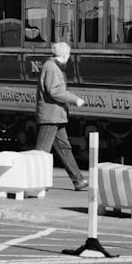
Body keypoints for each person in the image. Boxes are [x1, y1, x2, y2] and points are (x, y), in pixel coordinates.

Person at [35, 42, 88, 191]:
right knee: (41, 152)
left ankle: (78, 180)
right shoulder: (51, 67)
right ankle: (37, 182)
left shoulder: (52, 66)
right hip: (51, 116)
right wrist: (75, 99)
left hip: (56, 116)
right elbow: (55, 91)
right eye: (69, 55)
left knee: (65, 148)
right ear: (65, 55)